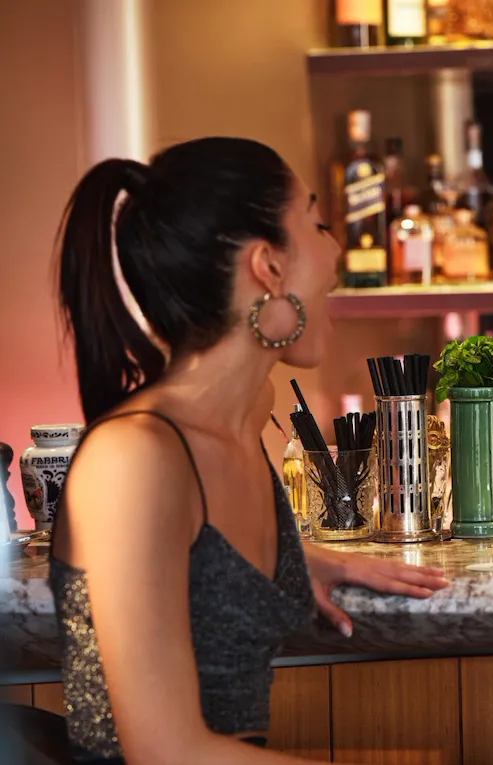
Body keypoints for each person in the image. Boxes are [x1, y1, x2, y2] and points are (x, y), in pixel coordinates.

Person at [44, 137, 449, 764]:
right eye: (315, 222)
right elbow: (164, 752)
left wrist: (298, 559)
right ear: (268, 266)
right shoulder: (134, 457)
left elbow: (195, 554)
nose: (336, 246)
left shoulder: (241, 423)